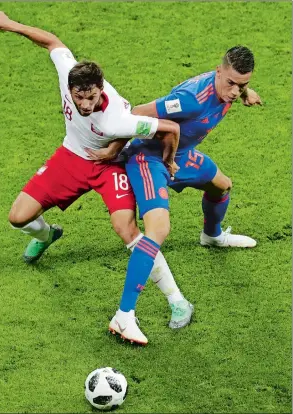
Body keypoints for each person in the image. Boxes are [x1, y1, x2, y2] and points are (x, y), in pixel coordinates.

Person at [0, 11, 194, 344]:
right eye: (78, 97)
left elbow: (170, 128)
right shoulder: (69, 74)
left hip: (109, 166)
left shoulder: (117, 120)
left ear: (101, 89)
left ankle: (177, 301)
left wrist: (167, 162)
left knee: (128, 231)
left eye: (91, 97)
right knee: (18, 218)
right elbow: (51, 41)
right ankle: (45, 236)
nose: (84, 104)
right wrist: (9, 24)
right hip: (70, 157)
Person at [87, 46, 261, 344]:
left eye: (241, 85)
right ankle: (124, 314)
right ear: (218, 72)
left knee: (221, 185)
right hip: (149, 159)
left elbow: (237, 87)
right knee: (158, 231)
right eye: (231, 83)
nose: (235, 91)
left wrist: (247, 94)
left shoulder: (231, 87)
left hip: (179, 156)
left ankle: (212, 236)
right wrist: (115, 149)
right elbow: (135, 114)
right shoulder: (190, 101)